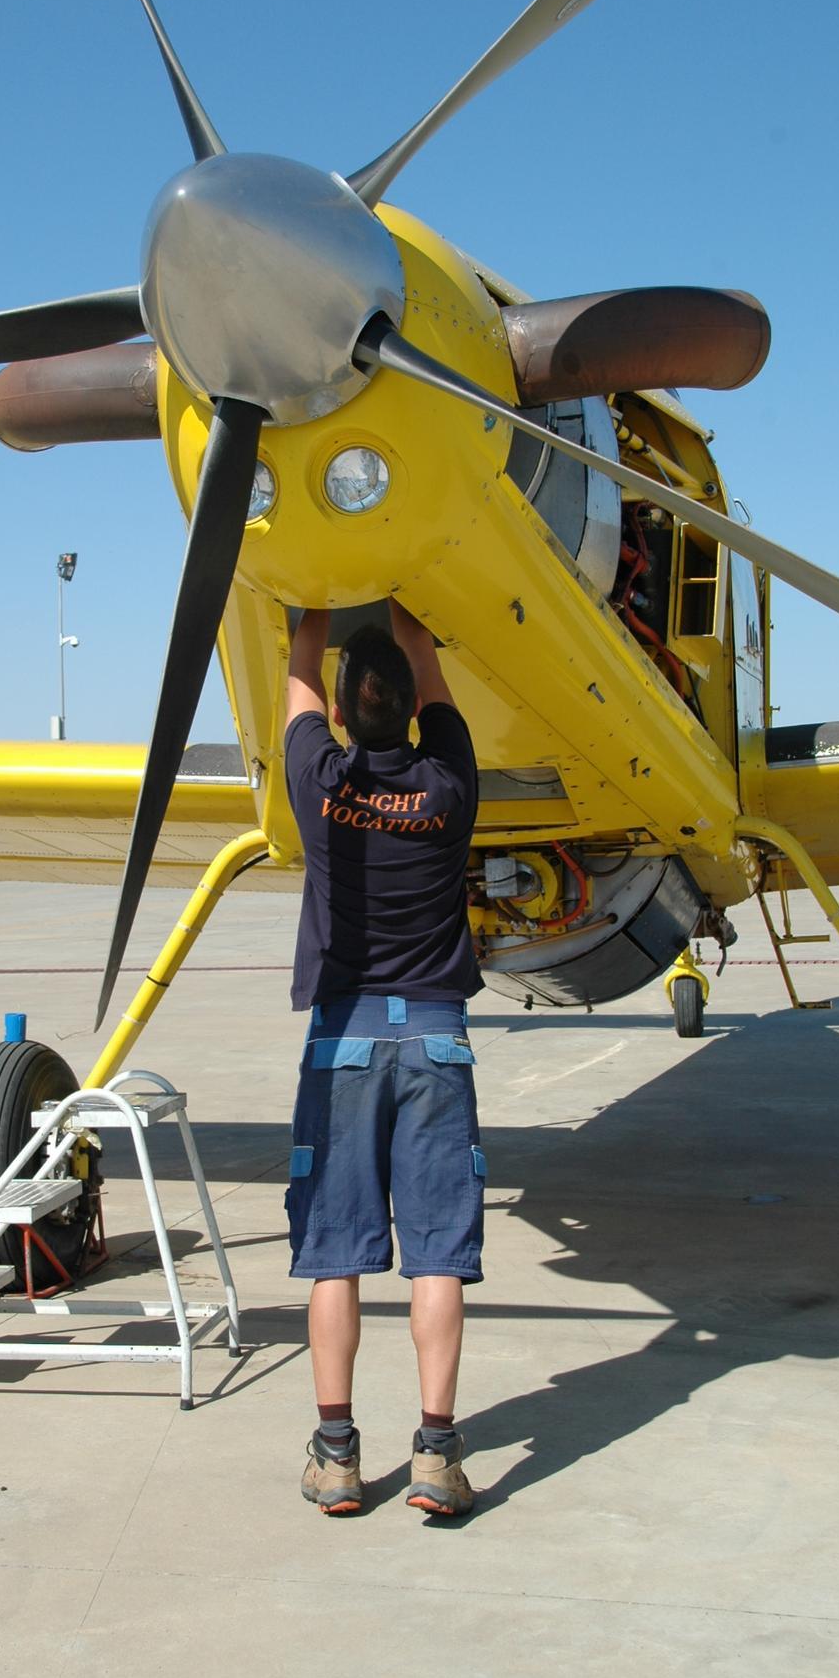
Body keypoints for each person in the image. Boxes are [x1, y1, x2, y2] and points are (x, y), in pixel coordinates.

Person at [283, 599, 484, 1517]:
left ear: (342, 708)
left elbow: (298, 672)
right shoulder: (447, 787)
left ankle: (336, 1456)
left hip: (345, 1042)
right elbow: (425, 664)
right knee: (436, 1253)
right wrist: (415, 611)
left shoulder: (319, 784)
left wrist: (306, 606)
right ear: (408, 710)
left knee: (336, 1256)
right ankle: (437, 1455)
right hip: (437, 1039)